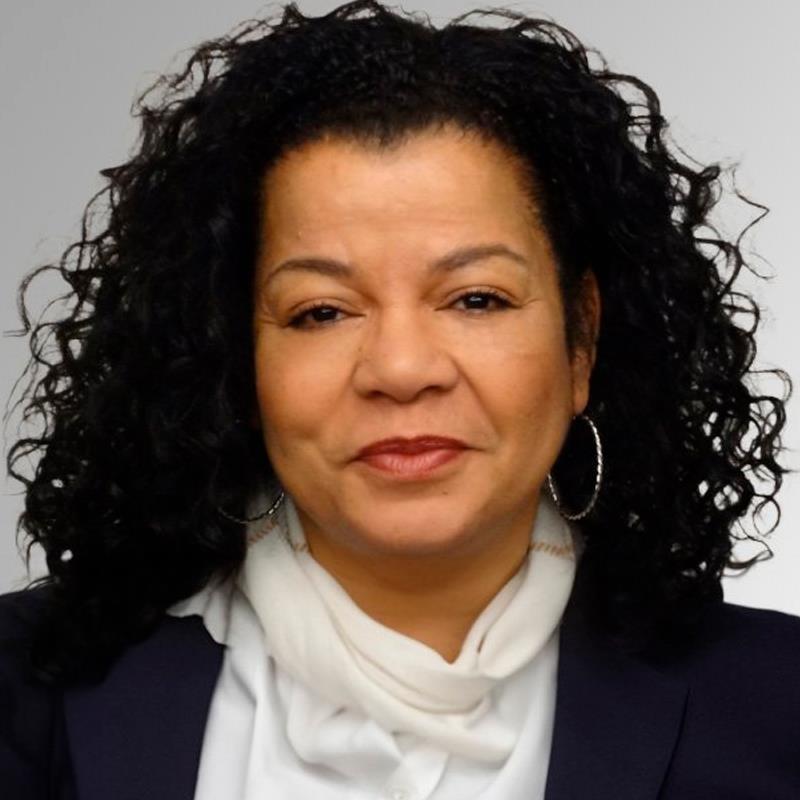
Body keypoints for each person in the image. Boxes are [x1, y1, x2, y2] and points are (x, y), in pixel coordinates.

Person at [2, 1, 799, 797]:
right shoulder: (28, 693)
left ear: (581, 340)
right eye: (321, 312)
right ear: (236, 358)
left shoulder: (776, 709)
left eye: (476, 299)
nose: (402, 368)